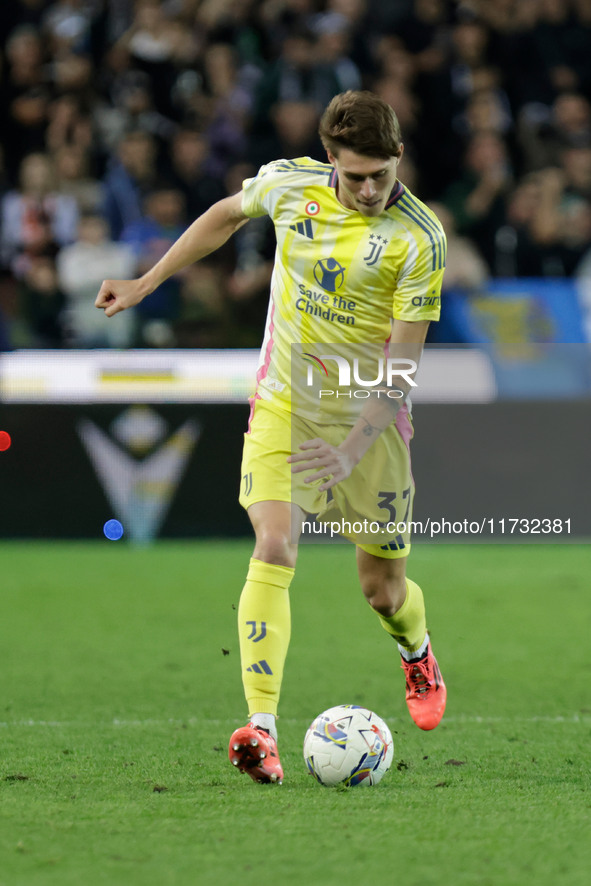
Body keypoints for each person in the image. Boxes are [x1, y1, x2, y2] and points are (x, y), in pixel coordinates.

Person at [95, 90, 447, 786]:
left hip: (367, 424)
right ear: (329, 163)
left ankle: (416, 651)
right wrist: (147, 279)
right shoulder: (289, 185)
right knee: (275, 543)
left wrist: (347, 451)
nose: (369, 188)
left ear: (398, 158)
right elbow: (226, 214)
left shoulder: (419, 238)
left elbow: (399, 372)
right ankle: (261, 729)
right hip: (284, 403)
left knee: (382, 590)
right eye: (354, 176)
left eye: (381, 173)